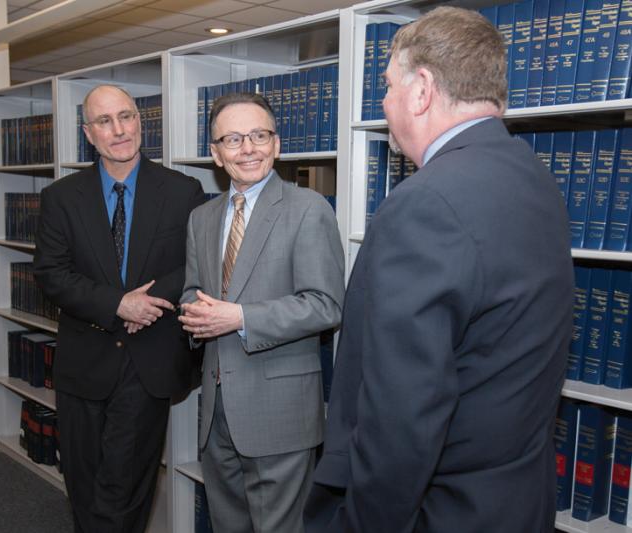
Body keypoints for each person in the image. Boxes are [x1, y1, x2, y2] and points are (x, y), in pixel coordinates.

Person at [305, 7, 574, 533]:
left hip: (441, 511)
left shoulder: (424, 203)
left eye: (387, 86)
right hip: (516, 502)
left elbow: (402, 416)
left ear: (422, 90)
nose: (384, 103)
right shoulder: (534, 177)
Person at [33, 84, 204, 532]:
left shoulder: (184, 191)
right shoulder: (61, 197)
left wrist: (146, 303)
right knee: (83, 483)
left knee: (124, 488)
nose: (119, 129)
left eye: (126, 116)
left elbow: (196, 263)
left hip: (147, 360)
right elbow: (51, 274)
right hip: (84, 359)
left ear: (140, 121)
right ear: (89, 133)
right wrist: (118, 304)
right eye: (104, 121)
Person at [178, 92, 345, 533]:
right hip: (216, 412)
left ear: (277, 144)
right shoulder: (202, 218)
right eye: (233, 139)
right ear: (216, 154)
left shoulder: (308, 209)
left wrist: (241, 318)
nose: (248, 148)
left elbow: (325, 304)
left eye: (259, 135)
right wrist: (193, 313)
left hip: (280, 413)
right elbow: (192, 291)